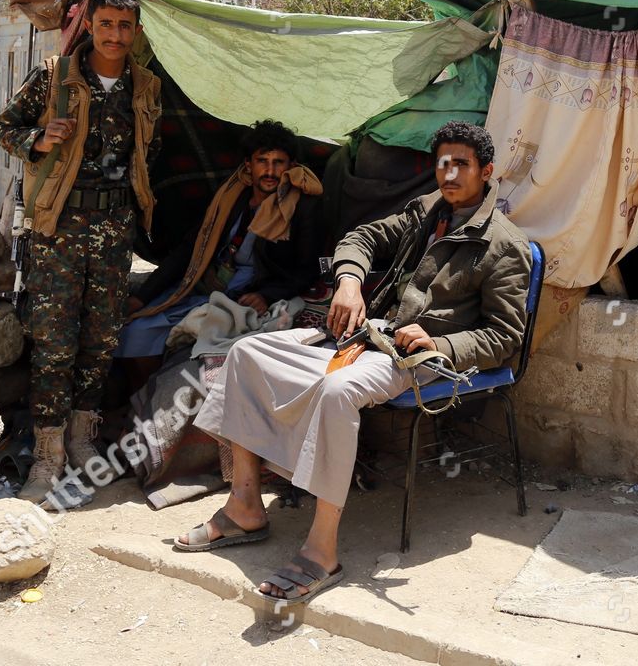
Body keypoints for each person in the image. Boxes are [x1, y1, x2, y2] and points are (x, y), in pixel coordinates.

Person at [184, 121, 532, 605]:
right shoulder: (427, 209)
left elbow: (504, 337)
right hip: (369, 338)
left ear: (487, 171)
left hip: (424, 356)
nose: (449, 174)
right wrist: (349, 281)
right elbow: (363, 237)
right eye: (442, 163)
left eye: (462, 165)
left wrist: (439, 342)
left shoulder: (504, 244)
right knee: (246, 353)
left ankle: (322, 549)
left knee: (336, 391)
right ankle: (244, 505)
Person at [0, 0, 161, 505]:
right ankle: (47, 456)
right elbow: (4, 127)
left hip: (114, 228)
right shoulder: (55, 76)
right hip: (58, 228)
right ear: (90, 24)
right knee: (54, 341)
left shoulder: (145, 85)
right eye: (106, 24)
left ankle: (82, 440)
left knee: (100, 338)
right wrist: (39, 140)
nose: (115, 35)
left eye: (124, 26)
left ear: (135, 31)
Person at [114, 120, 325, 390]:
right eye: (262, 161)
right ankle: (142, 400)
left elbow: (307, 269)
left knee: (199, 360)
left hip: (245, 295)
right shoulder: (230, 196)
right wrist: (141, 297)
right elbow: (190, 250)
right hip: (204, 286)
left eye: (278, 162)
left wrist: (267, 295)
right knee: (134, 332)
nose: (270, 171)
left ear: (290, 166)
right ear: (248, 165)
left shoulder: (302, 207)